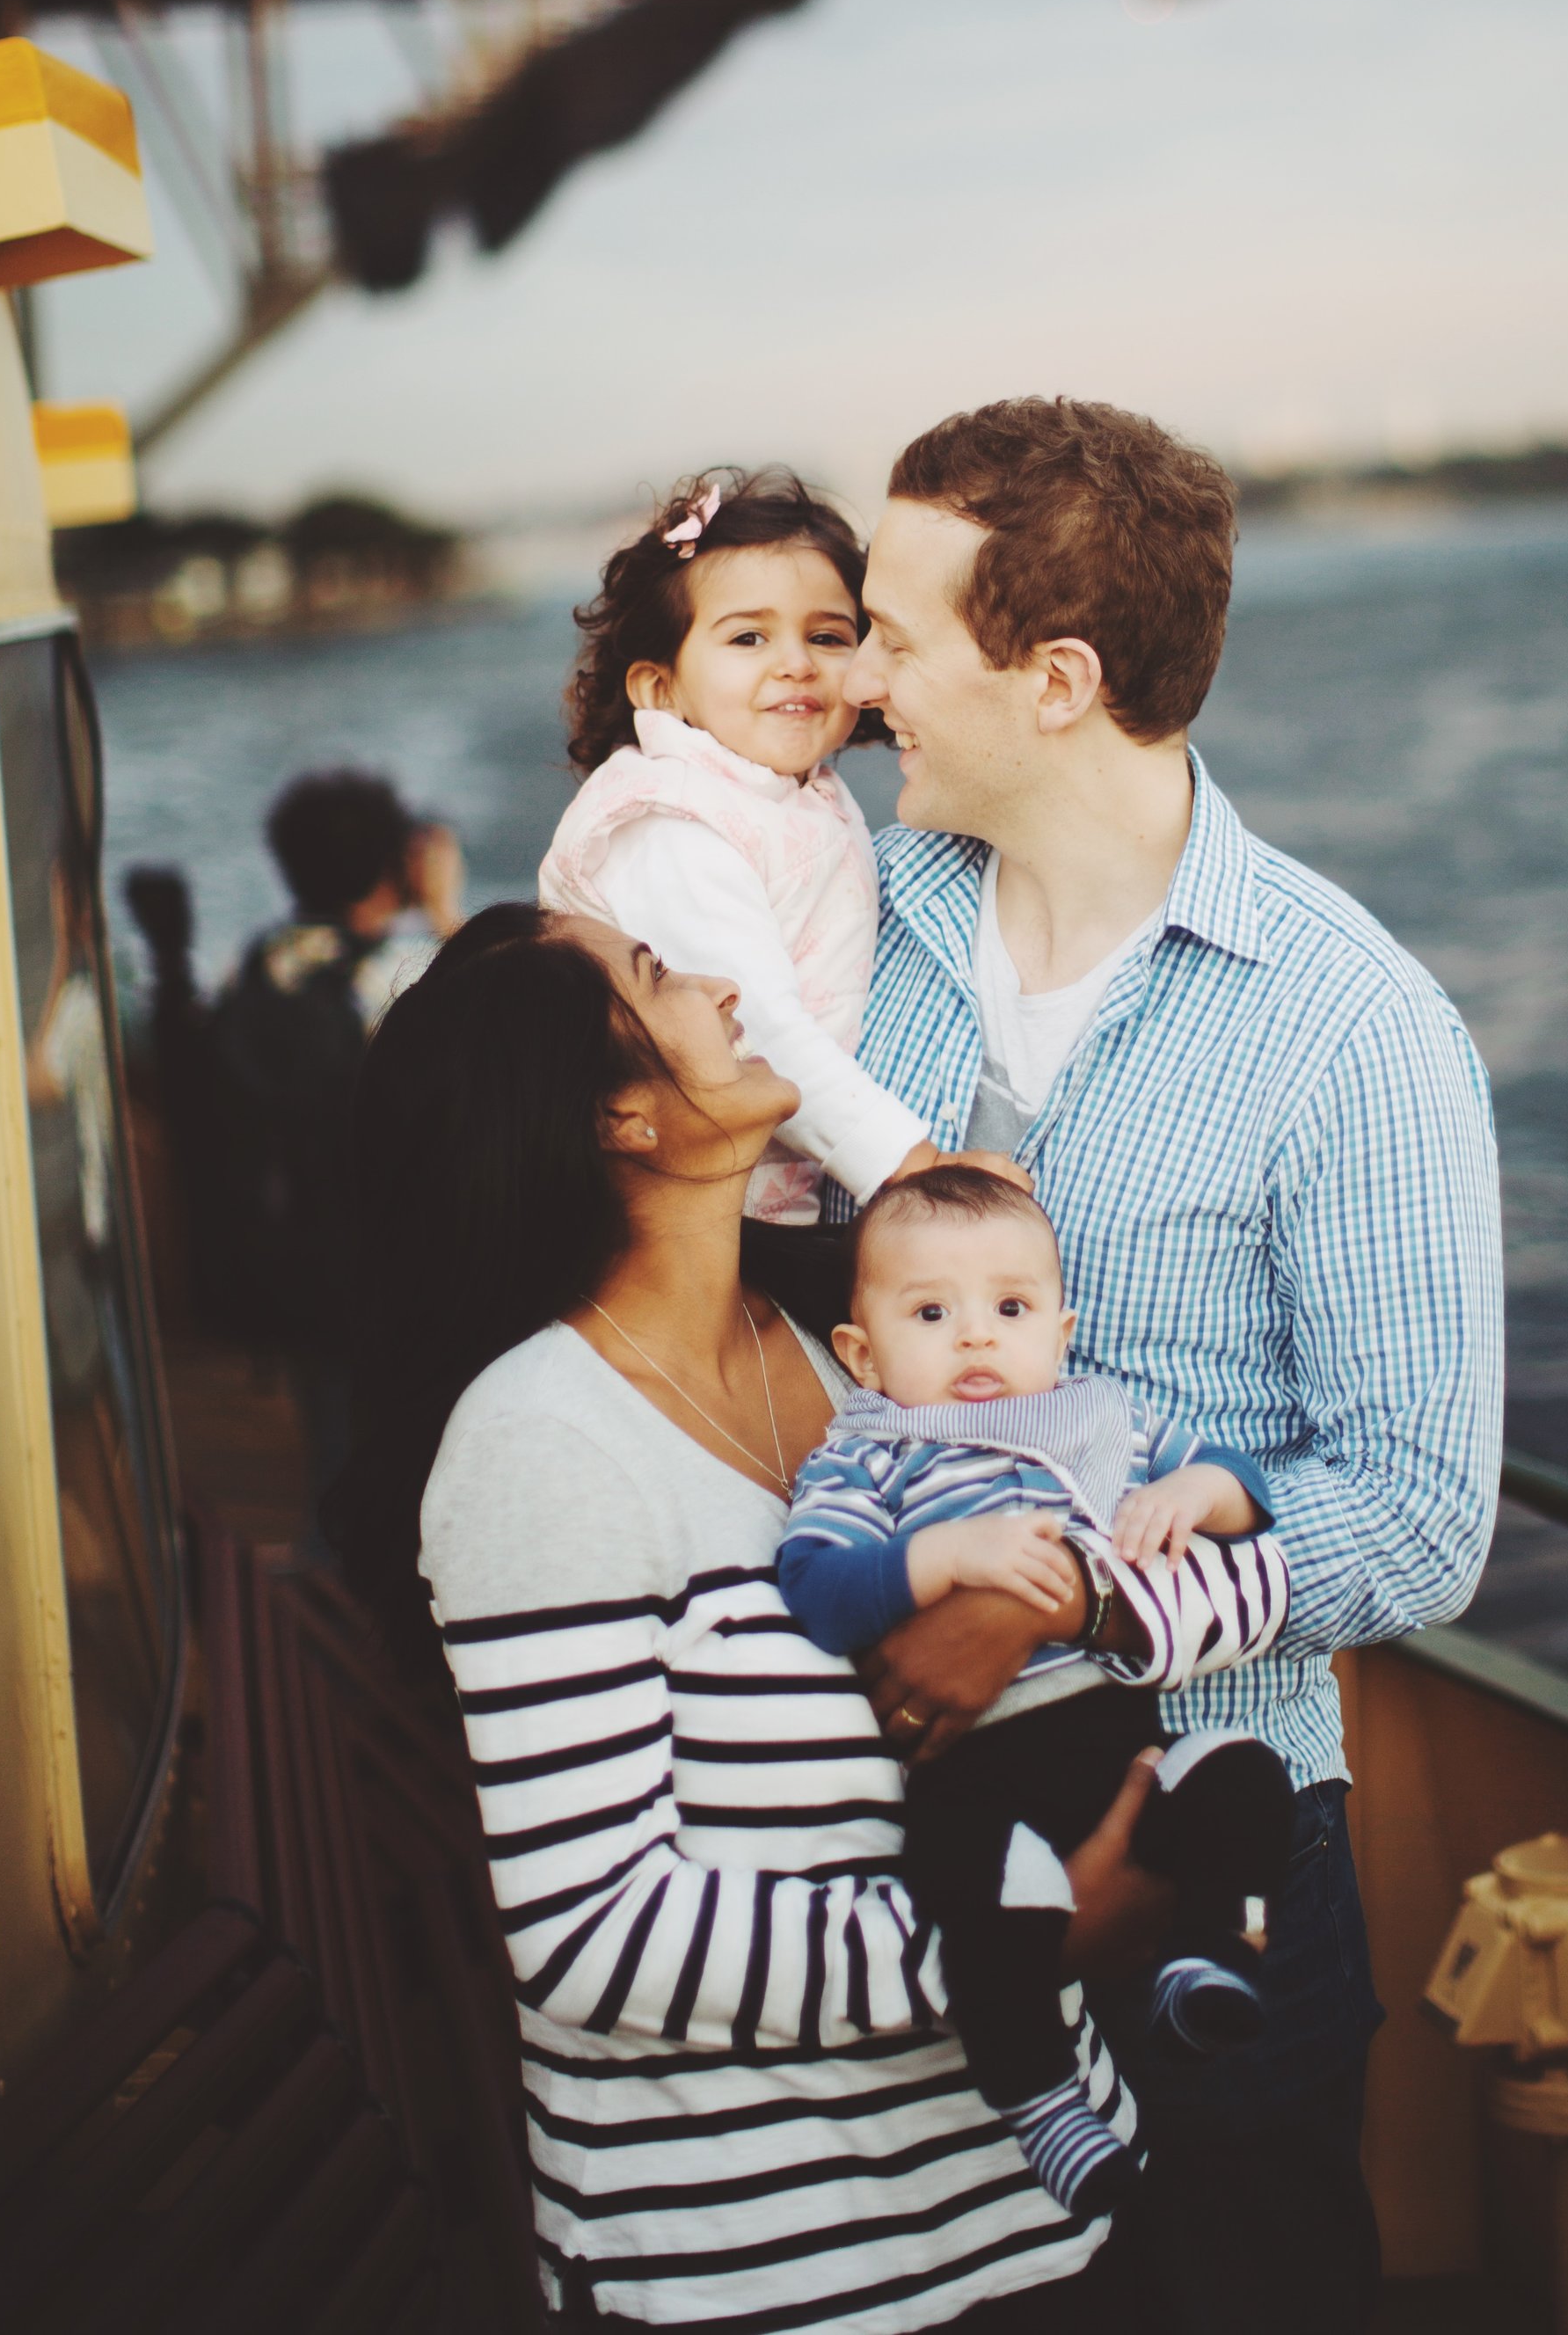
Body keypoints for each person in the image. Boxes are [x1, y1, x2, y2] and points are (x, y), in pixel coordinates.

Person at [330, 903, 1287, 2332]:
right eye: (657, 976)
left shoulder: (857, 1354)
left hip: (1047, 2217)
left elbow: (1166, 1558)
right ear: (621, 1120)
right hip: (782, 2270)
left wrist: (1064, 1598)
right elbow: (593, 1934)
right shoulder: (542, 1443)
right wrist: (1028, 1943)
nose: (723, 983)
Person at [833, 397, 1506, 2335]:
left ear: (1053, 679)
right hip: (866, 1828)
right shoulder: (864, 920)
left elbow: (1420, 1508)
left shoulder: (1352, 1030)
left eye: (892, 636)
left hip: (1205, 1832)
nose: (861, 684)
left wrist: (1091, 1614)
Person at [778, 1160, 1294, 2230]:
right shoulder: (868, 1455)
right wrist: (949, 1557)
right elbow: (819, 1592)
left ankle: (1209, 1949)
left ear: (1061, 1334)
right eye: (931, 1312)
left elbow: (1251, 1491)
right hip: (979, 1769)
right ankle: (1039, 2098)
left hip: (1118, 1739)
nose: (975, 1337)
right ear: (861, 1353)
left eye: (1009, 1310)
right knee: (993, 1907)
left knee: (1243, 1775)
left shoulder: (1102, 1422)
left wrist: (1193, 1492)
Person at [540, 466, 1017, 1331]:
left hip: (768, 1201)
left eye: (829, 637)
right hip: (671, 1219)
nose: (794, 663)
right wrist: (915, 1169)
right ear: (658, 687)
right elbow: (755, 1028)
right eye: (747, 639)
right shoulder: (667, 823)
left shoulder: (793, 793)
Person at [208, 769, 463, 1537]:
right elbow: (513, 1036)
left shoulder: (261, 963)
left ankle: (331, 1579)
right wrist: (448, 911)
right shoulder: (406, 974)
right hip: (399, 1260)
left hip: (295, 1255)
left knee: (332, 1439)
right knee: (421, 1449)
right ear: (395, 868)